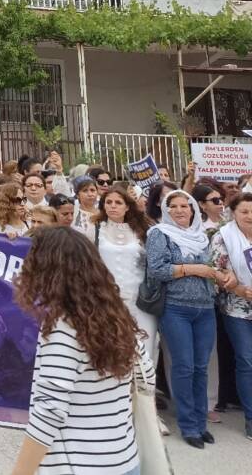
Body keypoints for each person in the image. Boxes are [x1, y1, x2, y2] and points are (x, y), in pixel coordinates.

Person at [10, 227, 152, 475]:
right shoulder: (116, 318)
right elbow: (146, 376)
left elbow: (50, 411)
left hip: (78, 464)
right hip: (125, 459)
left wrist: (20, 472)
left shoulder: (63, 329)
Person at [146, 188, 220, 448]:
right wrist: (193, 269)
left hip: (205, 309)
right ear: (165, 209)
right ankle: (188, 426)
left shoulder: (201, 236)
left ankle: (201, 424)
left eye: (184, 206)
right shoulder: (159, 234)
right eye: (173, 206)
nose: (179, 210)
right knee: (184, 367)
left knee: (201, 368)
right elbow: (157, 270)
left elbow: (213, 268)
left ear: (193, 210)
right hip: (176, 308)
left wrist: (218, 276)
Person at [90, 189, 157, 353]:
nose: (113, 206)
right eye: (108, 202)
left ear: (127, 207)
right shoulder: (95, 228)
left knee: (145, 350)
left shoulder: (143, 229)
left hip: (140, 300)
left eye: (118, 202)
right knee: (113, 350)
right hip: (108, 300)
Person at [211, 193, 252, 440]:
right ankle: (251, 418)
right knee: (247, 360)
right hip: (237, 308)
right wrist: (241, 290)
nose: (250, 216)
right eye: (244, 211)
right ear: (233, 212)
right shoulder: (222, 237)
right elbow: (219, 271)